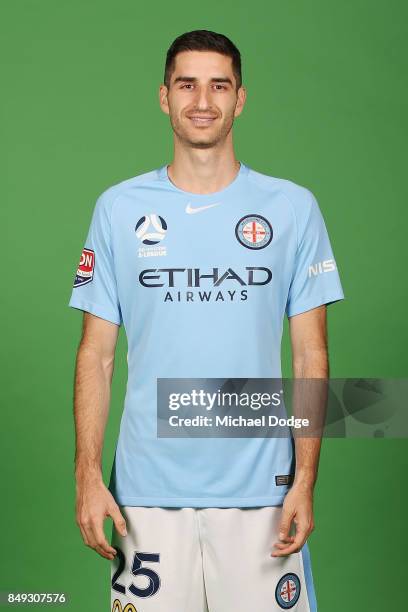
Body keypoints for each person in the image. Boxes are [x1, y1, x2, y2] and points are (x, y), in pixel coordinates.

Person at [68, 29, 345, 612]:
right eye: (186, 84)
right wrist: (89, 477)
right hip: (145, 497)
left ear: (239, 99)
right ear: (164, 97)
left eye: (218, 85)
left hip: (262, 497)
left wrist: (305, 480)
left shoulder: (291, 209)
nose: (202, 100)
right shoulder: (119, 209)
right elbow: (96, 353)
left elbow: (308, 356)